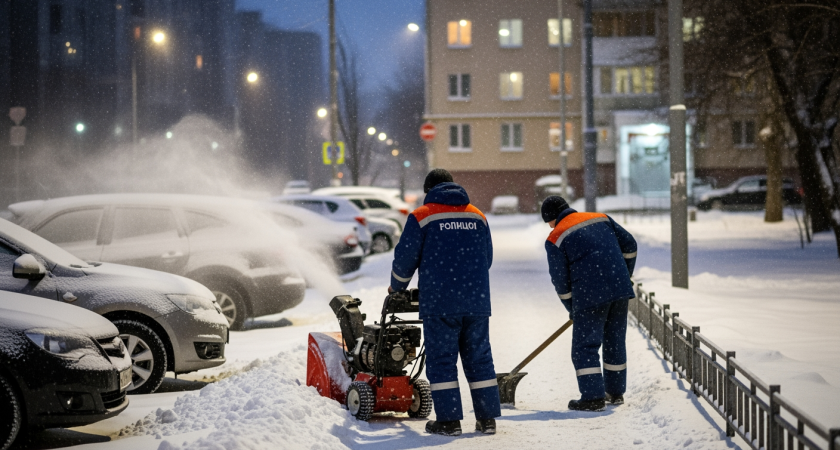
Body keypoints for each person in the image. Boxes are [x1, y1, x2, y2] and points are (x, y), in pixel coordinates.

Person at [389, 169, 501, 436]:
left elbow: (405, 261)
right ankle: (487, 420)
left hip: (440, 303)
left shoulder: (422, 216)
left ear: (429, 190)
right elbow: (487, 259)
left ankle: (449, 422)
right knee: (479, 358)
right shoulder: (477, 215)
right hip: (476, 301)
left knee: (442, 360)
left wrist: (396, 288)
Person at [540, 196, 637, 411]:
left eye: (548, 221)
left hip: (589, 294)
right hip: (619, 289)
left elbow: (561, 282)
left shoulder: (555, 237)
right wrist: (624, 274)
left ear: (552, 218)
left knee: (585, 348)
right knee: (614, 341)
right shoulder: (601, 218)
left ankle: (593, 398)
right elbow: (630, 244)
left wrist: (571, 307)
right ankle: (615, 392)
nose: (549, 226)